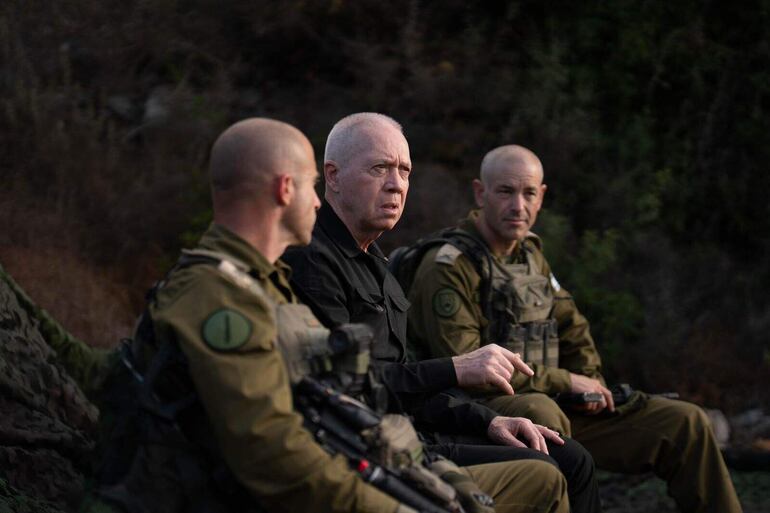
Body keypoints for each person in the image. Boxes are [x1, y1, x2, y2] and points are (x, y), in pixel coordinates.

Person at [92, 120, 570, 513]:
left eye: (404, 170)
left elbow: (332, 400)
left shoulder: (264, 283)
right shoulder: (224, 294)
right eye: (313, 186)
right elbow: (275, 452)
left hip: (370, 448)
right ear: (286, 189)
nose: (319, 202)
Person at [283, 113, 600, 513]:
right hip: (372, 448)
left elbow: (405, 381)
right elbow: (344, 391)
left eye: (404, 171)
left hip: (410, 429)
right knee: (545, 470)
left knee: (571, 458)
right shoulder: (313, 260)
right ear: (332, 175)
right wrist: (454, 368)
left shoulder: (376, 261)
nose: (396, 184)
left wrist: (486, 421)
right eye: (379, 168)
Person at [405, 144, 743, 513]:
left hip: (558, 405)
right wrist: (567, 383)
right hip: (485, 417)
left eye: (529, 193)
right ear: (480, 193)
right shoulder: (447, 267)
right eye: (505, 192)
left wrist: (590, 384)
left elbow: (571, 325)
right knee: (540, 411)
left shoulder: (531, 254)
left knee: (685, 422)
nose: (518, 206)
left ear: (542, 196)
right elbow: (465, 366)